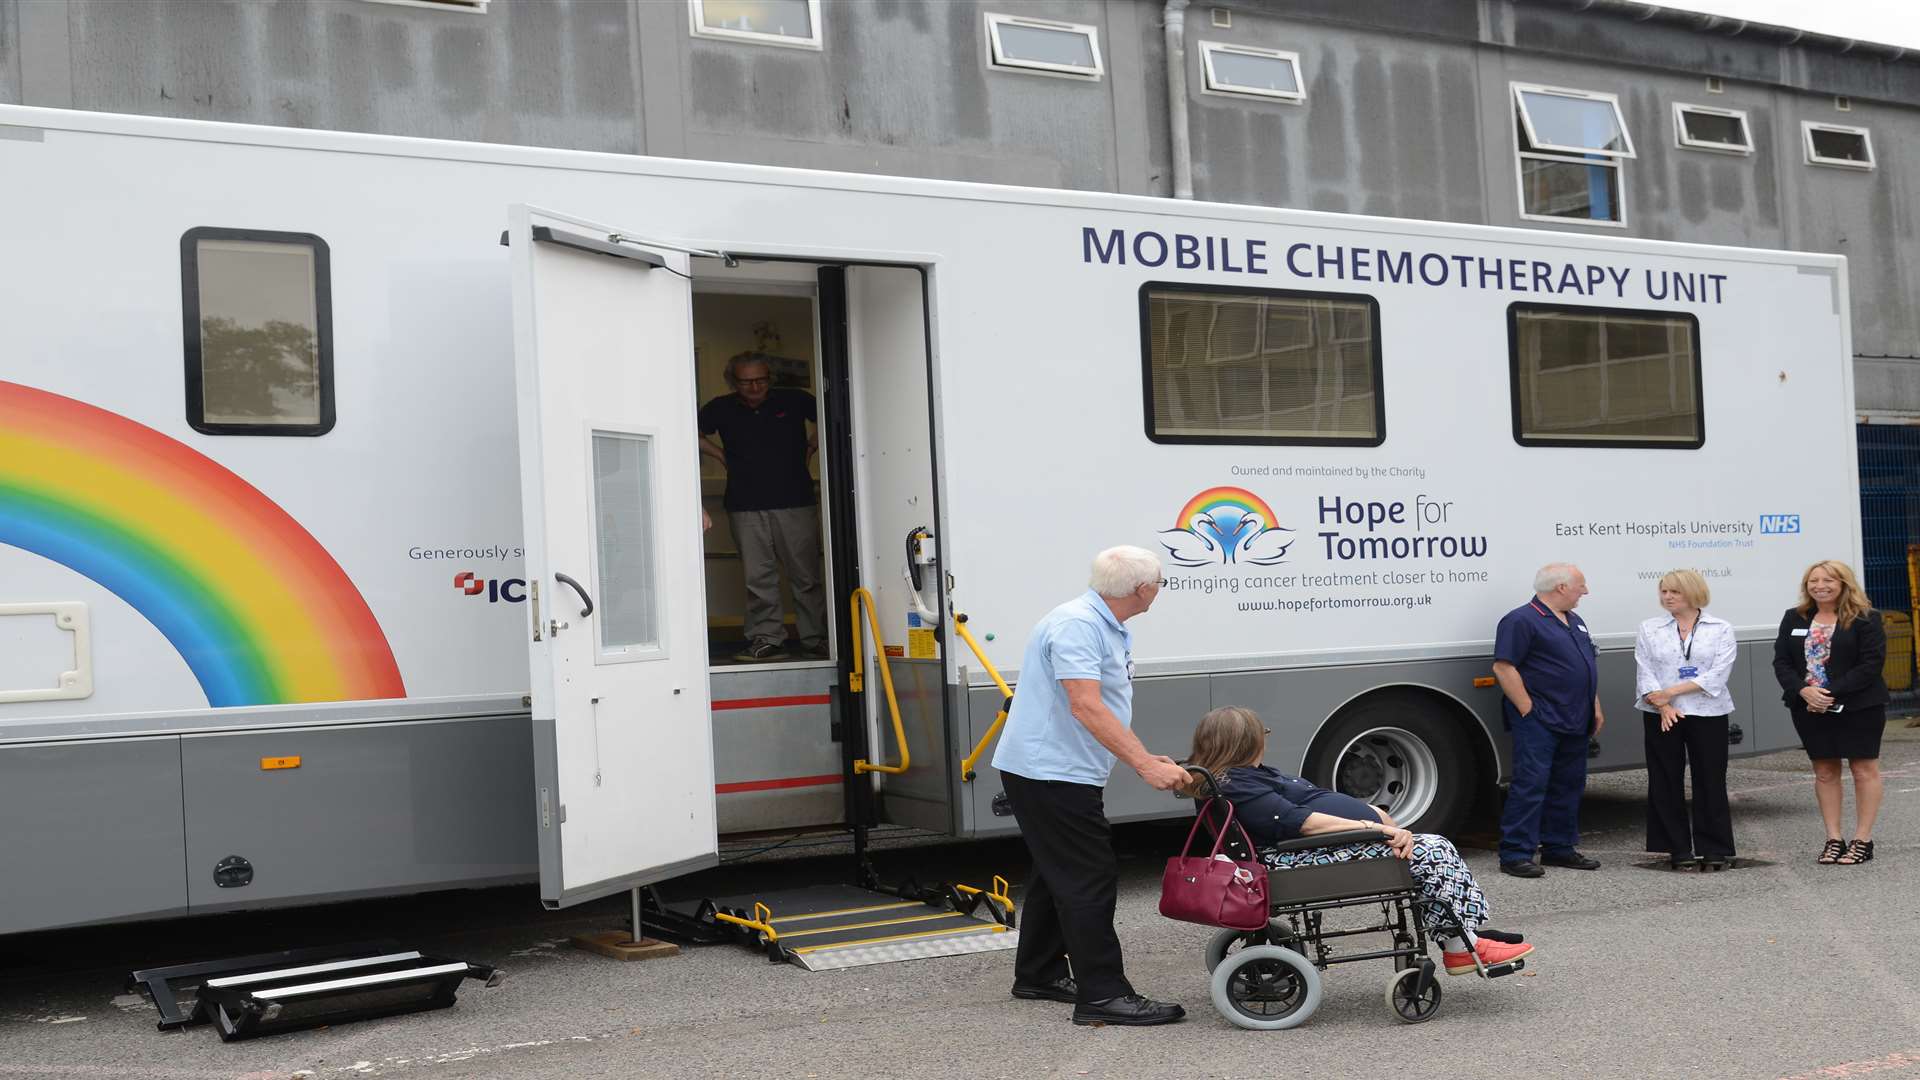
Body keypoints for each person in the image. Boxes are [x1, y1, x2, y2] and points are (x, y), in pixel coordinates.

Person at [991, 546, 1192, 1026]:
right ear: (1142, 589)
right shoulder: (1078, 625)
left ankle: (1038, 972)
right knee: (1089, 876)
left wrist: (1142, 754)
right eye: (1160, 583)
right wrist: (1143, 764)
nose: (1159, 592)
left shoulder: (1100, 623)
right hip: (1049, 772)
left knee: (1056, 869)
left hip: (1056, 769)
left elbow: (1099, 705)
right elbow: (1085, 705)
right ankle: (1103, 994)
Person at [1184, 706, 1535, 975]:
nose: (1266, 738)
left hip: (1299, 853)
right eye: (1264, 733)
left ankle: (1465, 933)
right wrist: (1376, 828)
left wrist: (1373, 821)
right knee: (1433, 849)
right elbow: (1299, 823)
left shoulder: (1242, 776)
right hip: (1290, 860)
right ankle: (1461, 944)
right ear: (1248, 741)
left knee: (1424, 846)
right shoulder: (1237, 784)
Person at [698, 353, 827, 662]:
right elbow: (688, 430)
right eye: (747, 381)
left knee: (806, 575)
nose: (756, 387)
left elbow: (832, 414)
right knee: (758, 577)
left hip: (795, 499)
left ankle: (816, 638)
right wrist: (719, 454)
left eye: (761, 379)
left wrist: (813, 443)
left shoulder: (795, 400)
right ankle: (767, 639)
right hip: (744, 503)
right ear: (733, 382)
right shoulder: (721, 407)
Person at [1490, 563, 1605, 878]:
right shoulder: (1521, 620)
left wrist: (1594, 705)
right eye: (1581, 584)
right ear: (1561, 587)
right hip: (1540, 719)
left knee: (1569, 784)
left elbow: (1585, 665)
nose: (1586, 591)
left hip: (1576, 716)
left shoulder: (1574, 620)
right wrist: (1527, 708)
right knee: (1531, 784)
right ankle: (1515, 853)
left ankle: (1559, 847)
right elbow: (1504, 667)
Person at [1772, 560, 1889, 866]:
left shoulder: (1866, 618)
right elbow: (1782, 662)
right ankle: (1834, 839)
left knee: (1864, 770)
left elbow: (1871, 665)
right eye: (1813, 580)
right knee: (1825, 772)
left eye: (1828, 580)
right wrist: (1803, 690)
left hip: (1859, 706)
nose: (1820, 586)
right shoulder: (1794, 617)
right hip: (1808, 706)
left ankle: (1863, 840)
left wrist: (1828, 693)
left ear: (1843, 584)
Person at [1633, 569, 1738, 871]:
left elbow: (1717, 673)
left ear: (1692, 593)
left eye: (1674, 592)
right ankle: (1676, 847)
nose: (1667, 597)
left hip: (1708, 712)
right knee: (1664, 779)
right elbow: (1644, 668)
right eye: (1663, 591)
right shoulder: (1649, 628)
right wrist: (1662, 704)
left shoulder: (1720, 628)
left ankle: (1714, 847)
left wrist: (1670, 693)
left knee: (1709, 779)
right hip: (1661, 714)